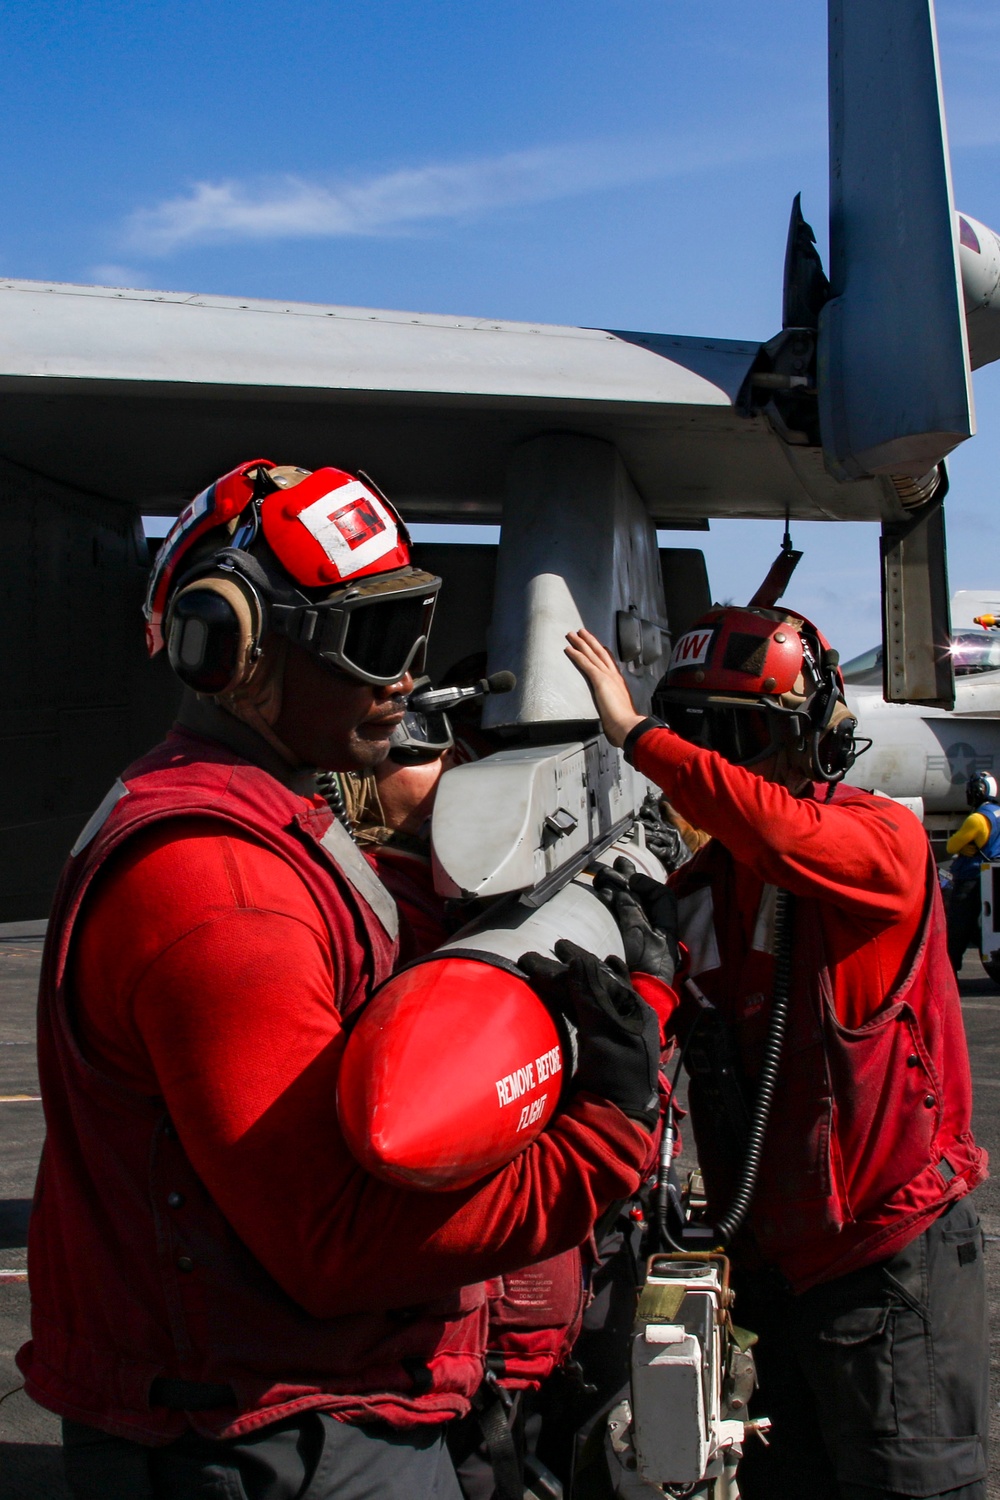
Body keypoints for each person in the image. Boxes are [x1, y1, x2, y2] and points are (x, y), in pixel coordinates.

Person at [19, 459, 662, 1500]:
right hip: (277, 1438)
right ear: (239, 653)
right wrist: (603, 1140)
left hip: (273, 1414)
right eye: (369, 642)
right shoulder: (217, 888)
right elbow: (334, 1246)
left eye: (408, 630)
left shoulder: (261, 826)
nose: (402, 677)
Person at [565, 608, 990, 1500]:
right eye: (701, 736)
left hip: (886, 1262)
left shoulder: (881, 842)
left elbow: (787, 835)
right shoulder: (709, 890)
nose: (722, 762)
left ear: (812, 738)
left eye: (743, 735)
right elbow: (671, 999)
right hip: (782, 1273)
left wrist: (642, 739)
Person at [944, 772, 1000, 974]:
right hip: (994, 879)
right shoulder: (998, 812)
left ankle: (950, 973)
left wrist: (965, 847)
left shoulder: (977, 819)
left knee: (957, 929)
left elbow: (951, 846)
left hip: (972, 880)